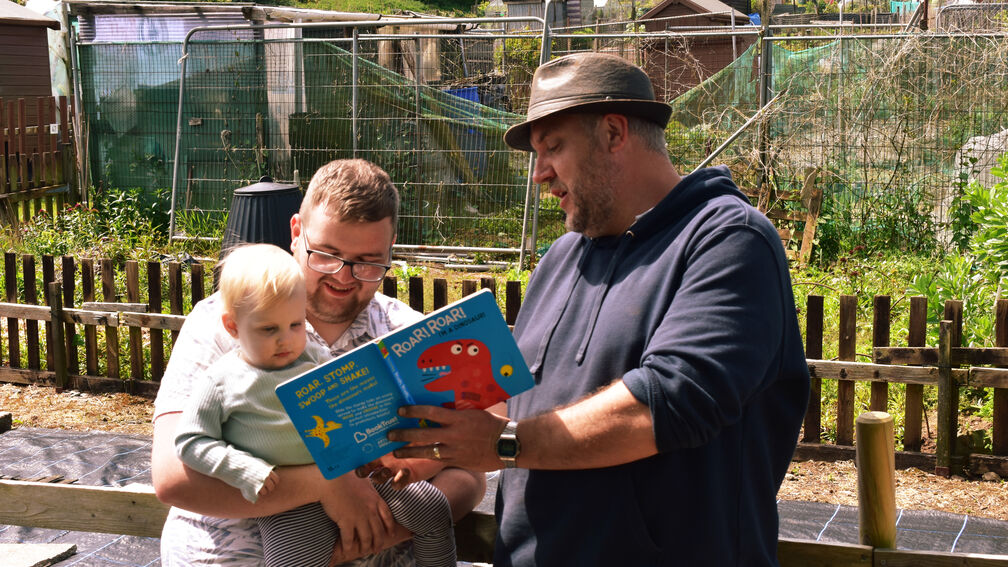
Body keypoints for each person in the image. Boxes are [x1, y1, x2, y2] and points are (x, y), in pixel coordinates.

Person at [385, 52, 811, 565]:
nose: (539, 173)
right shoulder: (564, 254)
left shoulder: (727, 239)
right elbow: (512, 398)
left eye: (553, 147)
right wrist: (424, 429)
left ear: (613, 132)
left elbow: (667, 403)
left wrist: (504, 444)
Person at [152, 158, 485, 567]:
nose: (344, 277)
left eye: (368, 261)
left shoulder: (409, 337)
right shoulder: (222, 324)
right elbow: (173, 478)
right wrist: (328, 486)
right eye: (326, 254)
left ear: (390, 249)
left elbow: (469, 475)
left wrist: (379, 531)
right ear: (296, 233)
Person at [173, 243, 457, 567]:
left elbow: (344, 403)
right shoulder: (221, 381)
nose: (286, 340)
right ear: (233, 326)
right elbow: (190, 441)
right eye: (269, 329)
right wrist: (244, 470)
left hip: (356, 472)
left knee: (433, 508)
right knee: (294, 561)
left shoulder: (312, 354)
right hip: (287, 498)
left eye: (296, 324)